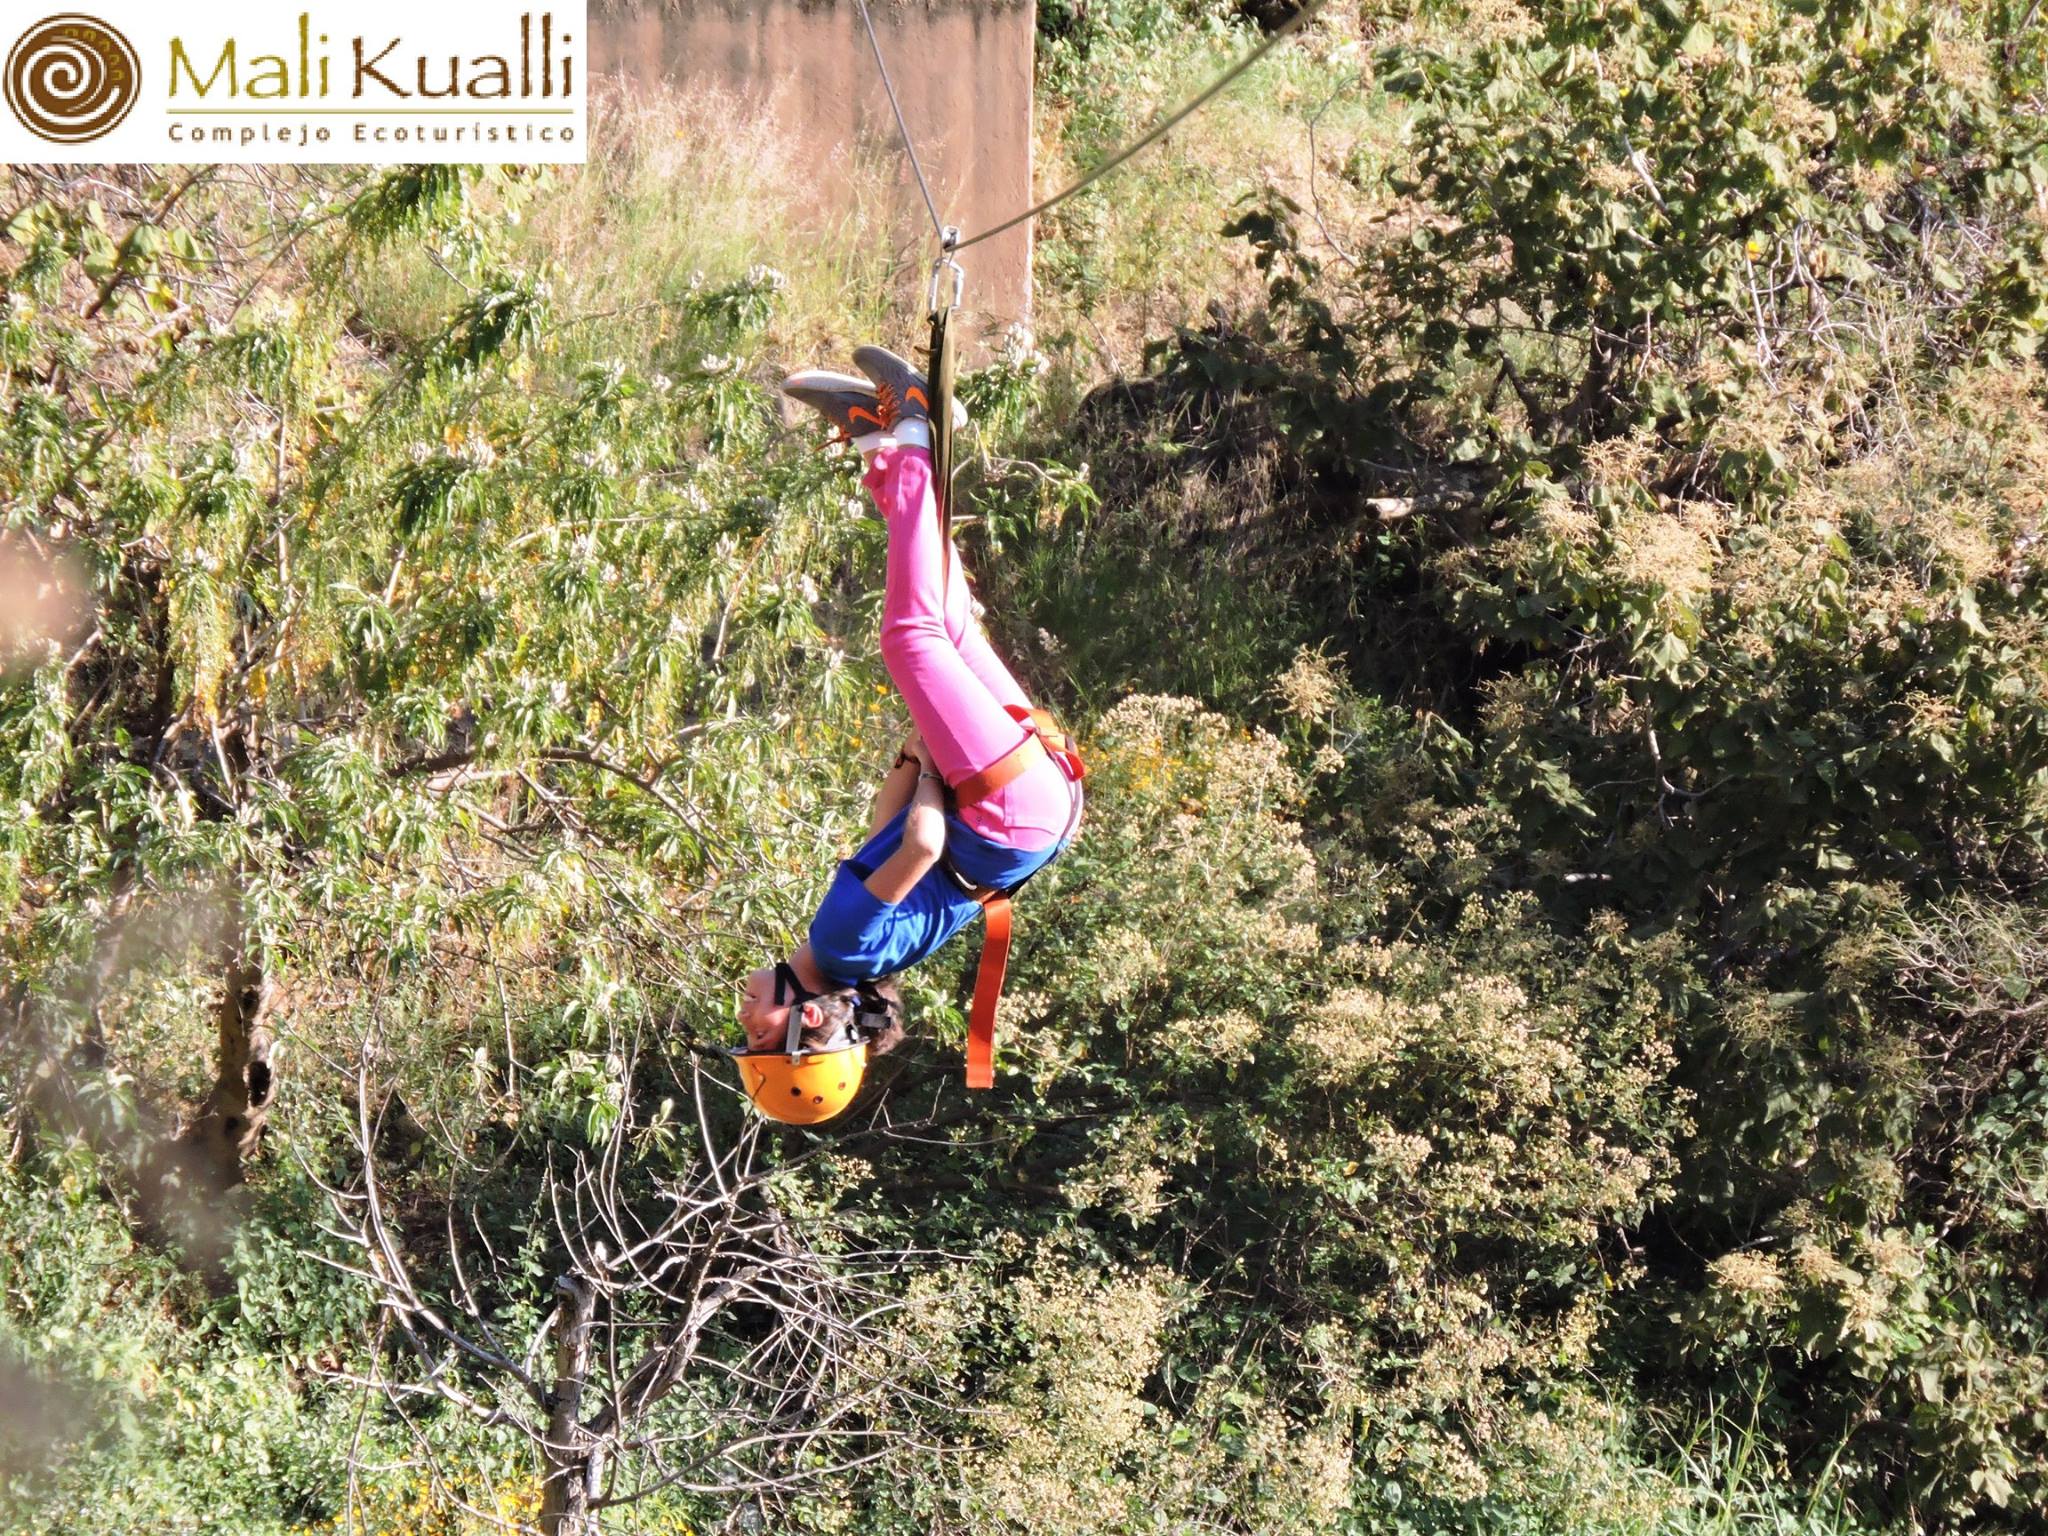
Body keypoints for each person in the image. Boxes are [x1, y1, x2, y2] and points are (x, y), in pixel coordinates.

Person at [733, 346, 1084, 1125]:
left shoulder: (851, 950)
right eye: (759, 1035)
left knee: (947, 622)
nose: (744, 1017)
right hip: (1004, 811)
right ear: (812, 1020)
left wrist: (911, 752)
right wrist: (929, 763)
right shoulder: (841, 948)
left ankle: (879, 448)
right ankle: (916, 430)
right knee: (909, 637)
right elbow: (922, 842)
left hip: (1034, 816)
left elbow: (885, 832)